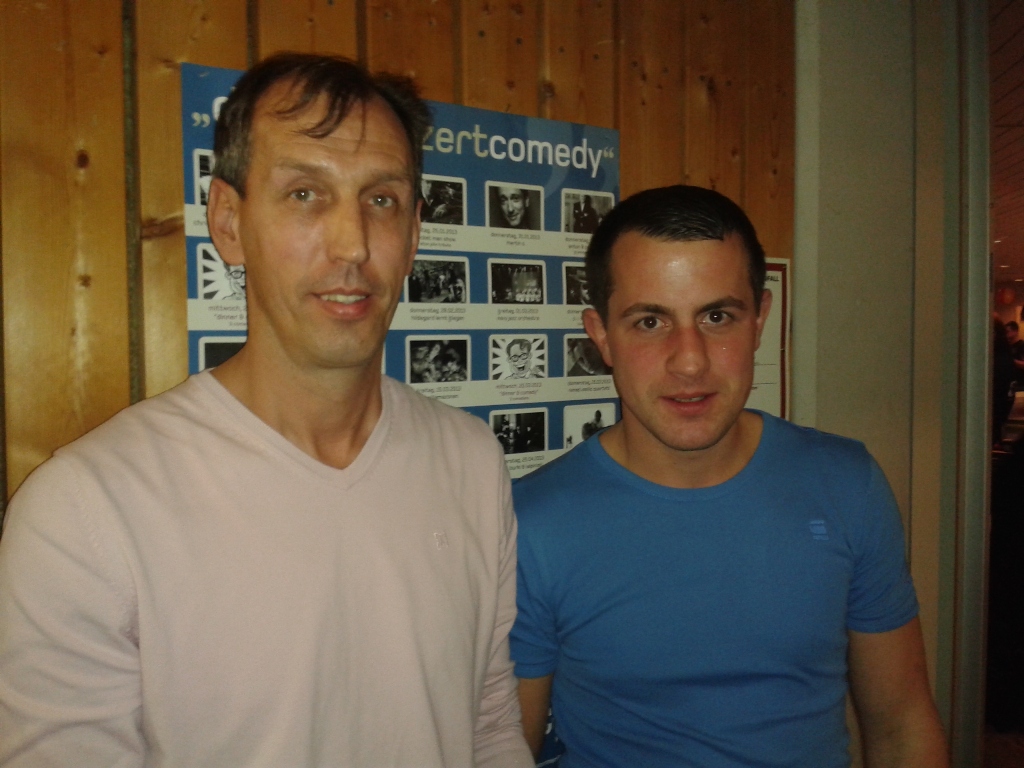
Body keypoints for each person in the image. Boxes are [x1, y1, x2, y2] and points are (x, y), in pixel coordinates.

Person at [0, 53, 532, 768]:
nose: (353, 245)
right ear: (228, 222)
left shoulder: (470, 460)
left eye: (382, 200)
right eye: (305, 194)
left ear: (413, 235)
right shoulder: (86, 511)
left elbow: (489, 729)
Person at [510, 185, 948, 767]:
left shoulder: (847, 485)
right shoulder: (533, 522)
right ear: (602, 336)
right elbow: (504, 752)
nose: (690, 360)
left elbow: (902, 725)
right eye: (649, 321)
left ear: (759, 319)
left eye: (717, 317)